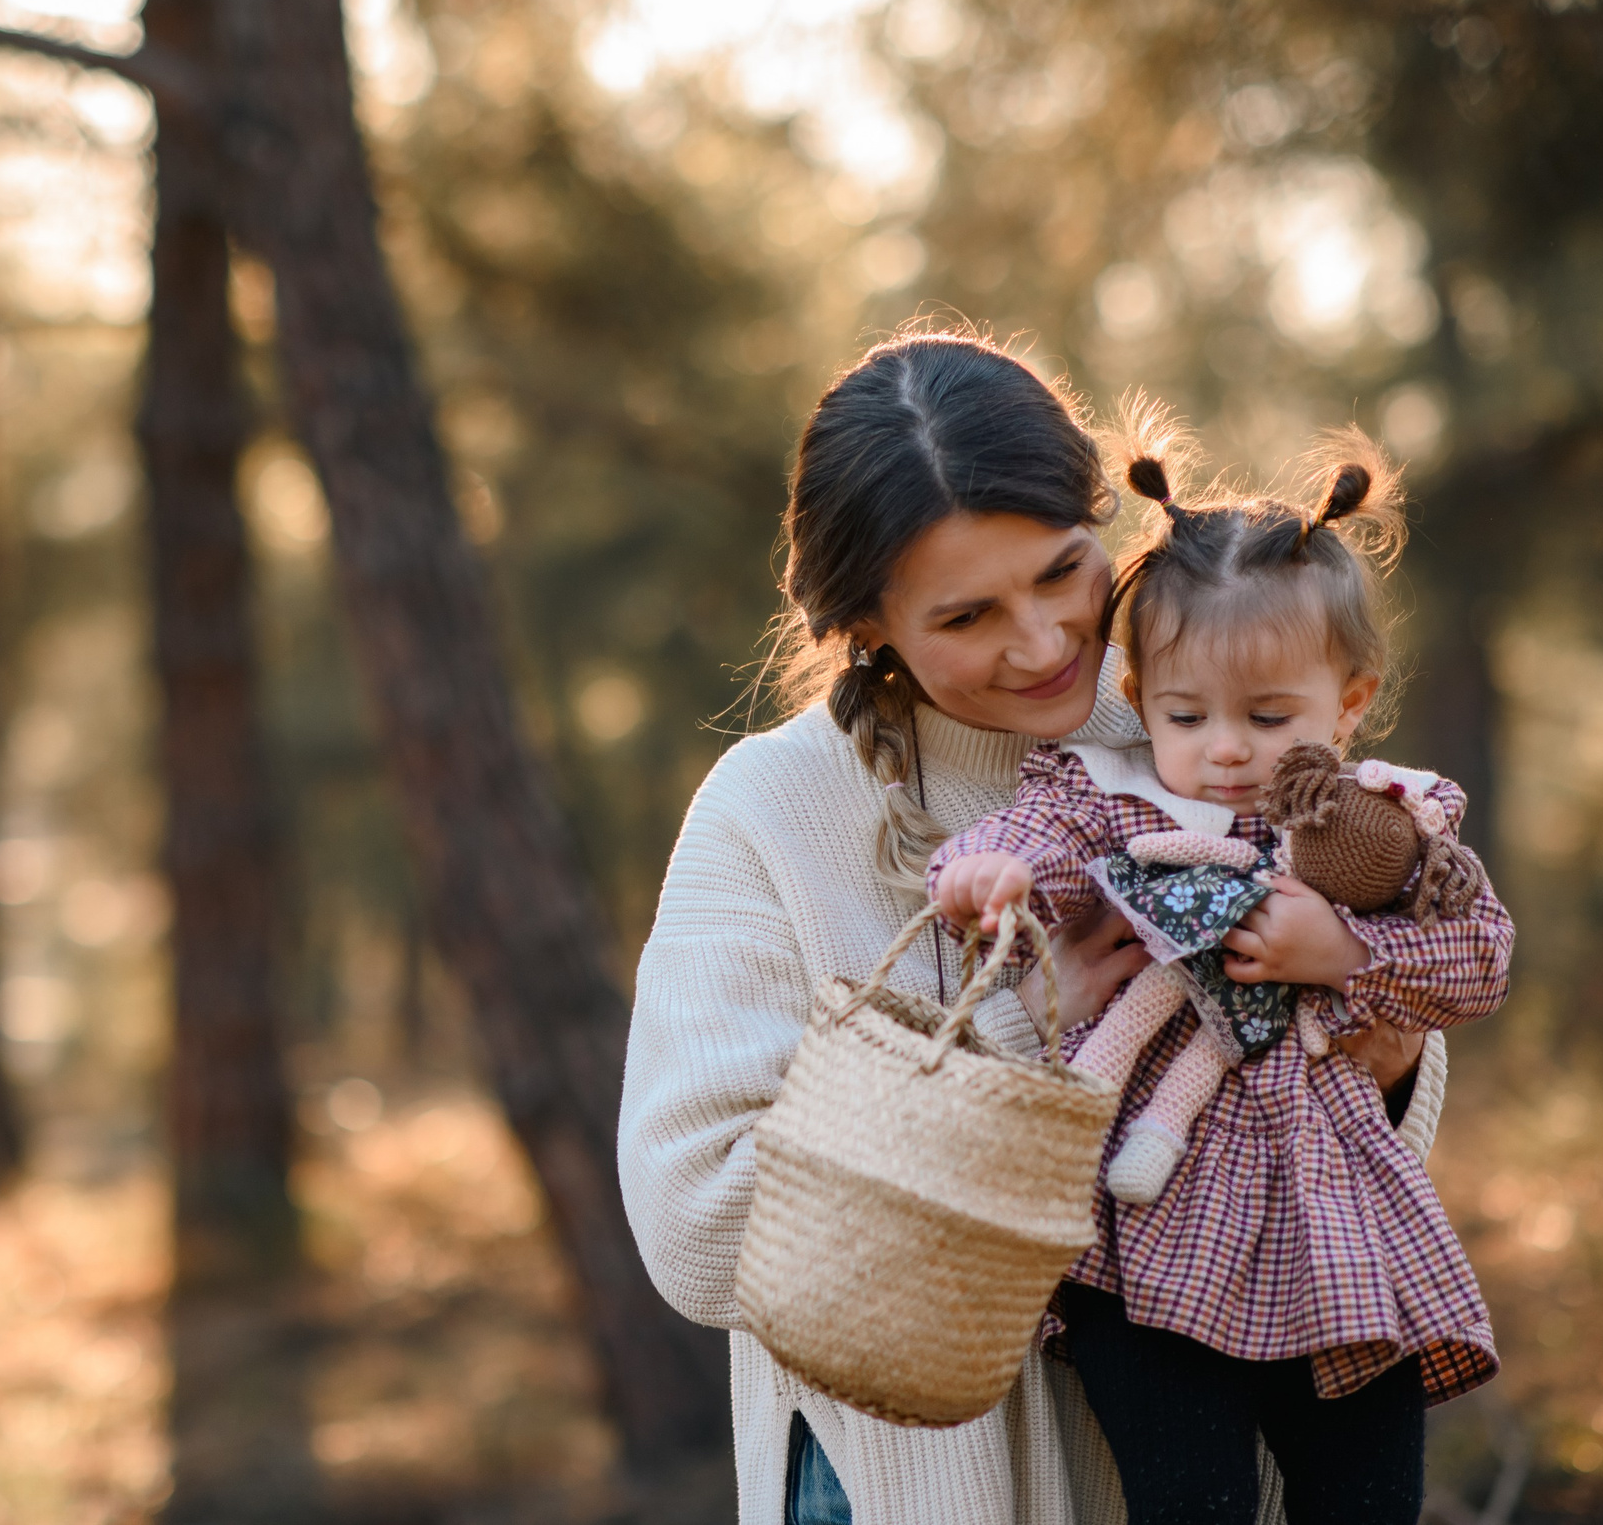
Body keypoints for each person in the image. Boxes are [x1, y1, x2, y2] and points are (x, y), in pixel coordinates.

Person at [616, 332, 1445, 1525]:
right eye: (967, 613)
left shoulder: (1200, 722)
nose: (1045, 641)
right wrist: (1020, 1038)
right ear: (866, 622)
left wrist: (1377, 1021)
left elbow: (1388, 1104)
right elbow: (700, 1231)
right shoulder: (772, 812)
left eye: (1063, 572)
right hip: (918, 1484)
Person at [929, 431, 1509, 1524]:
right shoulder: (1111, 789)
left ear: (1348, 700)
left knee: (1367, 1489)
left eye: (1270, 716)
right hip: (1150, 1225)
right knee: (1188, 1496)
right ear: (1139, 692)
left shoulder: (1376, 818)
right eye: (1187, 715)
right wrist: (990, 869)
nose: (1228, 750)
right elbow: (1036, 838)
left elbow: (1478, 951)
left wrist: (1344, 954)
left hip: (1331, 1210)